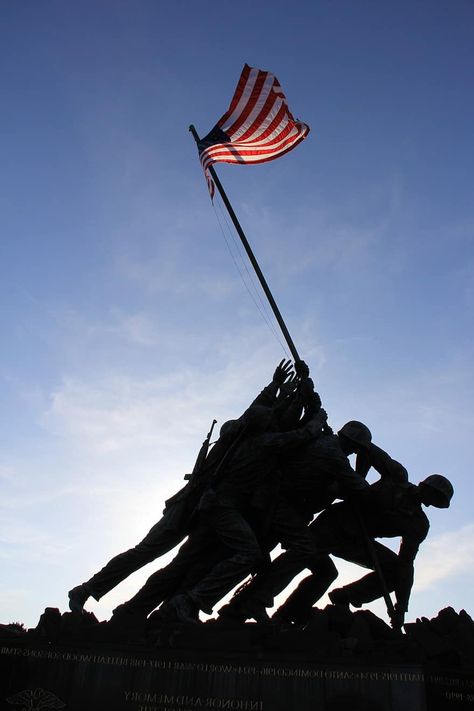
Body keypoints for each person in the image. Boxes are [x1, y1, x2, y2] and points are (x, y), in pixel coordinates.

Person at [67, 361, 297, 613]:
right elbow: (252, 415)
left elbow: (265, 419)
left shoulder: (245, 444)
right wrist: (274, 388)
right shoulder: (230, 443)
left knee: (179, 563)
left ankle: (146, 607)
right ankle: (86, 589)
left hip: (203, 512)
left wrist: (286, 393)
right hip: (186, 507)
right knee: (145, 552)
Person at [274, 442, 454, 630]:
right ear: (426, 486)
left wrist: (401, 607)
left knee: (393, 571)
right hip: (335, 524)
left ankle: (346, 596)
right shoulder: (397, 476)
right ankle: (262, 602)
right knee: (302, 558)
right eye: (436, 496)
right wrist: (360, 480)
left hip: (357, 541)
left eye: (438, 501)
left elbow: (405, 565)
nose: (433, 502)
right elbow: (365, 449)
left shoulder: (417, 524)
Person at [216, 420, 372, 623]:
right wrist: (368, 462)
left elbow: (342, 487)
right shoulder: (333, 454)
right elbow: (360, 488)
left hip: (290, 512)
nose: (355, 452)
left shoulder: (328, 447)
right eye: (357, 448)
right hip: (280, 506)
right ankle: (254, 602)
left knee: (321, 569)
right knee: (304, 549)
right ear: (353, 444)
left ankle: (249, 607)